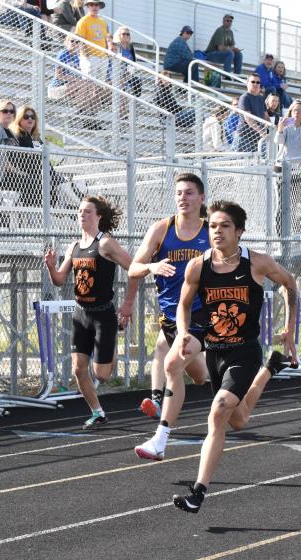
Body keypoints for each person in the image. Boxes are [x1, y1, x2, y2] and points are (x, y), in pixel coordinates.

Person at [172, 201, 299, 513]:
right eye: (213, 226)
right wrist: (183, 331)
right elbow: (183, 304)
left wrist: (290, 329)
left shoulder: (257, 263)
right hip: (215, 352)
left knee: (217, 412)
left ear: (239, 231)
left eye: (224, 226)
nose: (217, 231)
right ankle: (271, 369)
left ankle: (198, 492)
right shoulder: (197, 266)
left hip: (244, 350)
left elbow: (290, 284)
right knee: (238, 419)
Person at [130, 172, 211, 460]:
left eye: (189, 192)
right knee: (200, 376)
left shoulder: (211, 230)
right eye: (178, 192)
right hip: (170, 316)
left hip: (203, 313)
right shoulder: (162, 229)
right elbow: (133, 268)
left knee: (172, 366)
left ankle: (160, 440)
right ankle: (224, 371)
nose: (183, 197)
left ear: (201, 198)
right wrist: (151, 267)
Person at [44, 196, 139, 427]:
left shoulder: (105, 243)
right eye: (80, 211)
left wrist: (127, 304)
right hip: (81, 313)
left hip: (103, 314)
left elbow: (135, 270)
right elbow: (59, 280)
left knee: (103, 374)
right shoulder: (74, 247)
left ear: (99, 216)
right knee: (78, 369)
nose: (82, 215)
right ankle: (98, 412)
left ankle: (111, 348)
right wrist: (50, 267)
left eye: (88, 212)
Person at [74, 0, 109, 81]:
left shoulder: (103, 22)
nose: (94, 7)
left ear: (99, 6)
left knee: (101, 86)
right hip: (90, 56)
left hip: (103, 57)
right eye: (92, 4)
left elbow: (106, 40)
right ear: (88, 6)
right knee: (89, 85)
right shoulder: (83, 21)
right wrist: (86, 58)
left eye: (96, 5)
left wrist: (107, 55)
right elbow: (80, 40)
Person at [237, 73, 268, 153]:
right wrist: (262, 133)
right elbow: (248, 119)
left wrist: (273, 128)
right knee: (241, 164)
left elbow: (266, 117)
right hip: (245, 138)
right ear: (247, 84)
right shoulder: (244, 98)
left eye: (258, 82)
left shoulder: (261, 98)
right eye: (253, 82)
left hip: (257, 138)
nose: (255, 84)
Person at [110, 25, 141, 96]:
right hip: (117, 73)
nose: (126, 35)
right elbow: (112, 60)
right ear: (119, 35)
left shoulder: (131, 48)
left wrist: (128, 73)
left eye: (128, 34)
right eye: (124, 34)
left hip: (128, 74)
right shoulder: (115, 45)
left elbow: (134, 63)